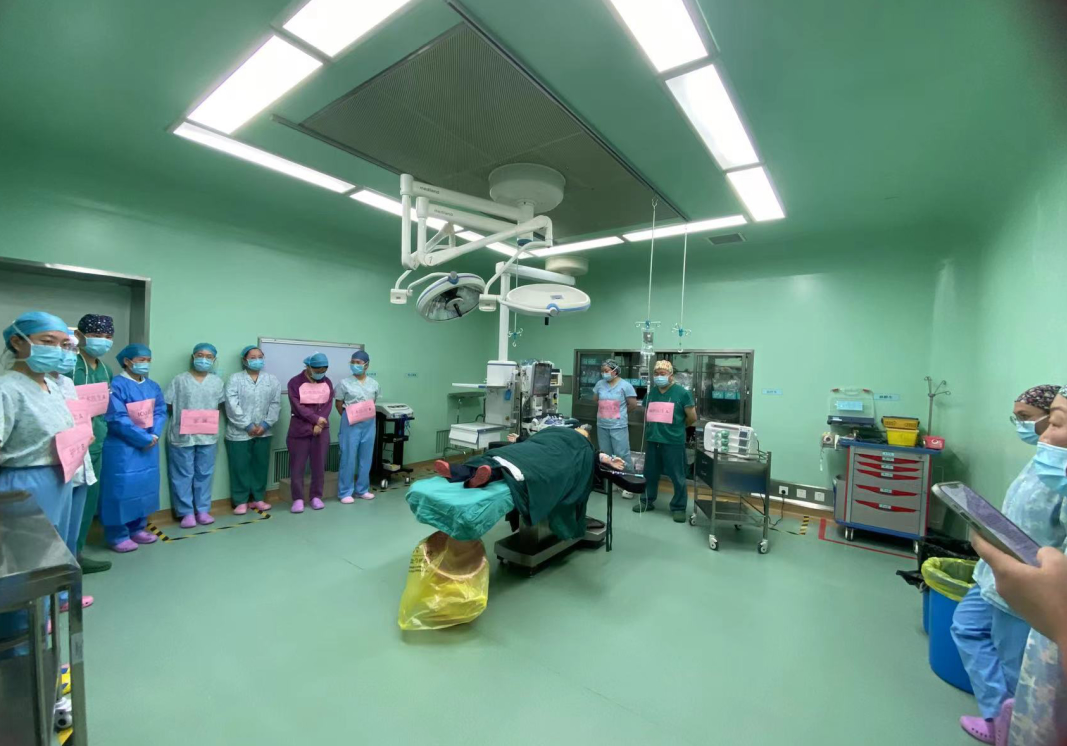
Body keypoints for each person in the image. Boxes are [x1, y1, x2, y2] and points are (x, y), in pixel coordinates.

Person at [952, 384, 1064, 743]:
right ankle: (999, 712)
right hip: (992, 575)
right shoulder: (1045, 460)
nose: (1030, 429)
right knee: (966, 627)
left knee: (1017, 668)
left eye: (1054, 422)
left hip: (1027, 588)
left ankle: (1012, 730)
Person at [0, 312, 81, 650]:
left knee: (47, 569)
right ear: (18, 342)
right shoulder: (7, 389)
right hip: (22, 488)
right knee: (23, 576)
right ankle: (19, 654)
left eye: (63, 344)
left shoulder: (50, 385)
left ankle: (39, 642)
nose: (58, 351)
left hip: (57, 482)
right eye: (47, 342)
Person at [432, 425, 622, 539]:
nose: (579, 431)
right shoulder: (555, 431)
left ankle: (469, 473)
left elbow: (598, 457)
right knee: (502, 457)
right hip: (533, 447)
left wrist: (609, 460)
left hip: (545, 454)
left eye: (582, 432)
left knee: (512, 466)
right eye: (578, 430)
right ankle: (462, 472)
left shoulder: (584, 446)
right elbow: (533, 440)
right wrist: (520, 439)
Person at [99, 343, 167, 552]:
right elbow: (117, 418)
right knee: (120, 489)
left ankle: (137, 528)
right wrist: (142, 438)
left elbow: (160, 411)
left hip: (149, 445)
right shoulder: (116, 385)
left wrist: (154, 434)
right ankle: (117, 535)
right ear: (127, 362)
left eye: (148, 360)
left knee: (143, 487)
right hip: (122, 447)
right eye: (140, 360)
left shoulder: (152, 386)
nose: (145, 364)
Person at [50, 333, 96, 609]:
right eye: (60, 346)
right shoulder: (12, 387)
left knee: (69, 535)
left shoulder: (66, 383)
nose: (67, 353)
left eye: (71, 348)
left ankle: (64, 594)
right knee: (46, 542)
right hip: (48, 472)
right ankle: (43, 605)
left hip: (78, 463)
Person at [66, 313, 115, 574]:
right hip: (69, 444)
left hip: (96, 442)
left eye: (107, 336)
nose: (103, 341)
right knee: (67, 505)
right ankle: (61, 560)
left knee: (87, 502)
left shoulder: (106, 370)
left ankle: (78, 554)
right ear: (80, 336)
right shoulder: (70, 365)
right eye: (96, 335)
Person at [165, 343, 225, 529]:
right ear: (193, 357)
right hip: (182, 435)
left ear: (214, 360)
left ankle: (203, 510)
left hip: (208, 435)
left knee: (204, 473)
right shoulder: (179, 380)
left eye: (209, 356)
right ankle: (186, 513)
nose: (204, 359)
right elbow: (168, 404)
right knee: (183, 474)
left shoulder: (217, 382)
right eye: (200, 355)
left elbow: (220, 404)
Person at [634, 360, 696, 522]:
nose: (659, 376)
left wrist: (677, 428)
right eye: (656, 373)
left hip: (673, 441)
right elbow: (648, 414)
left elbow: (692, 417)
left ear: (670, 375)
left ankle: (679, 507)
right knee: (650, 473)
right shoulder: (651, 393)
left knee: (677, 475)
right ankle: (646, 500)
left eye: (662, 373)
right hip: (653, 439)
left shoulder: (682, 393)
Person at [224, 345, 280, 515]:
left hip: (264, 431)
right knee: (239, 466)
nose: (257, 360)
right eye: (253, 357)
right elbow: (231, 404)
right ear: (244, 360)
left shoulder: (272, 380)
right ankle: (240, 501)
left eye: (260, 357)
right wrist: (247, 425)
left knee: (260, 466)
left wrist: (265, 425)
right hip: (239, 432)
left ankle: (258, 498)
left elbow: (275, 404)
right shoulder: (235, 379)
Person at [286, 352, 333, 513]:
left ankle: (316, 496)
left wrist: (320, 423)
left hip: (321, 429)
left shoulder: (327, 382)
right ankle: (298, 499)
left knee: (319, 465)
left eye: (324, 370)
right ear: (308, 367)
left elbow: (328, 404)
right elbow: (297, 406)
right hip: (299, 429)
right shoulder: (295, 382)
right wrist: (315, 419)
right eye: (317, 369)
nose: (320, 372)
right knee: (297, 466)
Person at [334, 349, 379, 503]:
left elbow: (373, 401)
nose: (354, 365)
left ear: (366, 365)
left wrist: (363, 416)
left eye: (358, 362)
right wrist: (349, 417)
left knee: (366, 457)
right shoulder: (344, 383)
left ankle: (362, 490)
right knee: (348, 456)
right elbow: (338, 404)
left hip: (369, 424)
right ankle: (345, 492)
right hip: (350, 423)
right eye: (352, 362)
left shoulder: (374, 384)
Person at [592, 359, 638, 496]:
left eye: (606, 371)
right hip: (602, 425)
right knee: (606, 455)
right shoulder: (600, 384)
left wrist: (620, 413)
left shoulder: (625, 386)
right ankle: (611, 482)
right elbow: (596, 399)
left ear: (615, 371)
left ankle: (628, 485)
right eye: (602, 371)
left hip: (618, 425)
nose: (604, 373)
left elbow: (633, 404)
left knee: (622, 454)